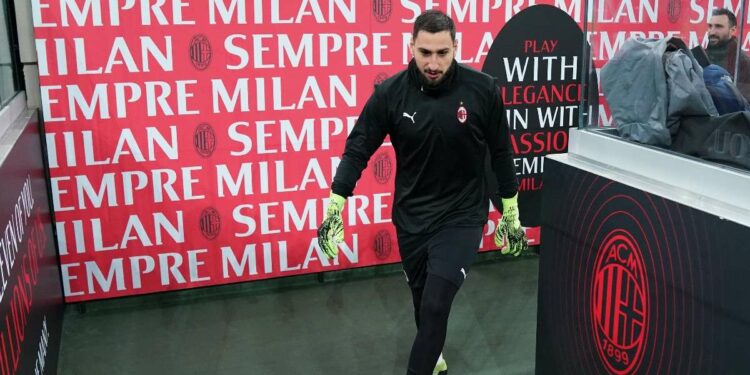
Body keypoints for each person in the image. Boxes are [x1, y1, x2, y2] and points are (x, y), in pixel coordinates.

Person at [316, 10, 528, 375]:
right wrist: (336, 204)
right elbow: (358, 148)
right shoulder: (390, 94)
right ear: (411, 46)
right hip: (412, 216)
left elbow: (501, 153)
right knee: (422, 302)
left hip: (462, 215)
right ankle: (434, 351)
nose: (433, 63)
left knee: (434, 304)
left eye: (442, 53)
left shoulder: (482, 90)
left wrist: (511, 212)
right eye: (424, 52)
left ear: (456, 47)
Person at [706, 8, 750, 100]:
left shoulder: (742, 63)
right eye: (710, 26)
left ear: (732, 30)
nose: (712, 32)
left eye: (718, 26)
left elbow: (741, 104)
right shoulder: (702, 55)